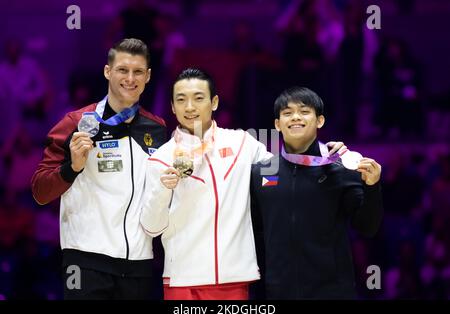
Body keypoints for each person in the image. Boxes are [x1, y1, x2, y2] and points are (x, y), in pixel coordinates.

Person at [139, 68, 344, 300]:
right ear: (172, 107)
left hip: (235, 278)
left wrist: (329, 154)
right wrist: (163, 190)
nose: (189, 107)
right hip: (183, 281)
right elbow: (151, 227)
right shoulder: (160, 159)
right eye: (181, 100)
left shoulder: (243, 143)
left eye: (198, 98)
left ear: (214, 102)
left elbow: (282, 172)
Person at [31, 38, 167, 300]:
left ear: (148, 76)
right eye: (122, 70)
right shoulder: (76, 122)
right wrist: (73, 168)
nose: (130, 78)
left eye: (138, 71)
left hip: (138, 264)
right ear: (107, 72)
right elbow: (39, 191)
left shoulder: (158, 128)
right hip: (85, 262)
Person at [250, 86, 383, 299]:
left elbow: (367, 228)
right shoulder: (261, 172)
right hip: (278, 292)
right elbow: (255, 235)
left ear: (319, 121)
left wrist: (372, 186)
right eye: (287, 113)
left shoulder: (341, 169)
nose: (295, 117)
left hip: (332, 292)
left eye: (304, 111)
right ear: (277, 124)